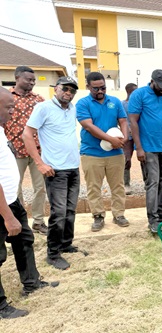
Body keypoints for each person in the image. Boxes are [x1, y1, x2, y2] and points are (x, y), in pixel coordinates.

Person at [0, 87, 58, 319]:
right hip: (2, 205)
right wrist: (7, 216)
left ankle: (31, 282)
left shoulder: (1, 130)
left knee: (24, 239)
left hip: (9, 200)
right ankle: (1, 306)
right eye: (8, 107)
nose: (13, 112)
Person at [23, 77, 80, 271]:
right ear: (56, 88)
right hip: (55, 170)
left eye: (73, 91)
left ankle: (66, 244)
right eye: (65, 89)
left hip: (73, 167)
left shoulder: (72, 108)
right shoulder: (43, 108)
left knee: (71, 210)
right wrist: (39, 163)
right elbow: (27, 134)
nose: (69, 93)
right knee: (59, 212)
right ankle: (53, 254)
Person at [128, 69, 162, 233]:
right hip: (148, 148)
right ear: (152, 81)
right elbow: (133, 122)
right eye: (160, 85)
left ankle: (161, 214)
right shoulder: (139, 95)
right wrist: (139, 148)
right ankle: (153, 219)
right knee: (152, 182)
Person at [76, 72, 129, 232]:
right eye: (95, 88)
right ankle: (98, 216)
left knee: (118, 185)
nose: (100, 91)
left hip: (115, 154)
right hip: (91, 153)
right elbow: (88, 126)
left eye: (103, 88)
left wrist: (124, 137)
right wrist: (110, 139)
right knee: (93, 187)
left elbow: (123, 120)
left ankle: (119, 214)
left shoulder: (115, 102)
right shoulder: (83, 103)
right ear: (88, 87)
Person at [4, 66, 47, 234]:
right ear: (17, 78)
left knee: (40, 188)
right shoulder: (6, 97)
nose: (32, 83)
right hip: (14, 152)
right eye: (28, 79)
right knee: (15, 189)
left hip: (37, 151)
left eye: (33, 80)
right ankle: (20, 221)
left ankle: (38, 221)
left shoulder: (39, 99)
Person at [122, 83, 138, 195]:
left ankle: (148, 183)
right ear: (129, 92)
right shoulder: (122, 104)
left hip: (139, 135)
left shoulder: (139, 104)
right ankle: (126, 184)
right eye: (135, 91)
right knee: (126, 159)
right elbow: (120, 120)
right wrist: (128, 129)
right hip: (127, 136)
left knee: (145, 158)